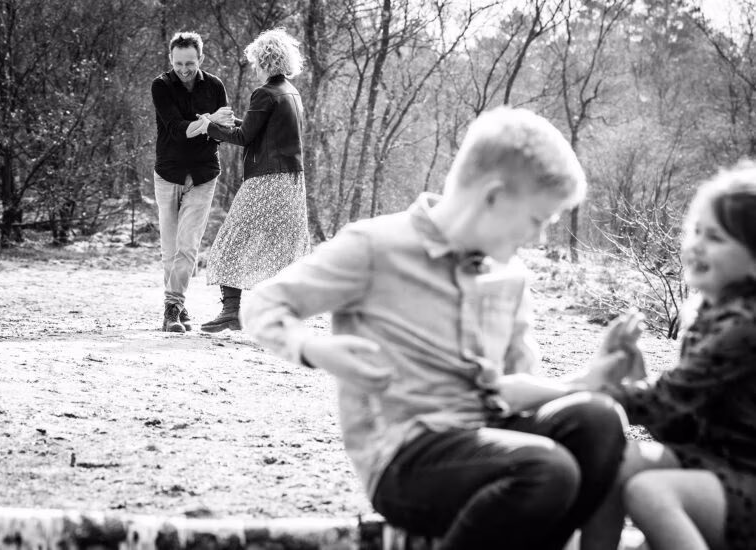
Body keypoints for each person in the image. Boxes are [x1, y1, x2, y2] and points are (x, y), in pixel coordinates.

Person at [241, 106, 631, 549]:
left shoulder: (510, 277)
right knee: (547, 470)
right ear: (495, 196)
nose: (539, 239)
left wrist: (584, 384)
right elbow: (264, 304)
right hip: (405, 459)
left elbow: (510, 390)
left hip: (495, 445)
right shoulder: (375, 246)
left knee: (598, 422)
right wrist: (314, 349)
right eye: (537, 221)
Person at [588, 161, 756, 550]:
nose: (696, 244)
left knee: (649, 491)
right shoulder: (709, 315)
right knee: (618, 459)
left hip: (745, 480)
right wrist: (632, 382)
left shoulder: (745, 325)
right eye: (695, 231)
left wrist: (584, 391)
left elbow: (666, 399)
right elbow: (679, 425)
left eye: (714, 237)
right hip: (716, 467)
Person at [189, 28, 310, 333]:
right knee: (282, 247)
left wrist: (208, 127)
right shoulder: (290, 92)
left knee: (232, 239)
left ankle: (231, 312)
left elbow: (245, 138)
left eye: (256, 62)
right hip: (292, 181)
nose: (254, 68)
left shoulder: (265, 93)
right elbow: (261, 130)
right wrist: (223, 122)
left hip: (266, 180)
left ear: (266, 61)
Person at [151, 31, 236, 333]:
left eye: (189, 63)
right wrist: (209, 120)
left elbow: (223, 131)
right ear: (171, 60)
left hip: (203, 175)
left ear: (200, 59)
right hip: (168, 174)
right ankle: (177, 305)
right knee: (170, 248)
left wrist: (209, 123)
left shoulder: (215, 86)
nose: (183, 69)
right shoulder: (161, 86)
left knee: (187, 247)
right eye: (178, 63)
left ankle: (172, 307)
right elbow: (177, 130)